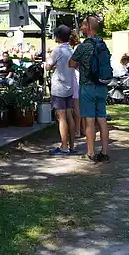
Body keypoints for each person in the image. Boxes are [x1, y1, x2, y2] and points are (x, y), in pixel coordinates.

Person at [70, 16, 110, 162]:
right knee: (102, 120)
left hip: (87, 86)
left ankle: (91, 153)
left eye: (82, 26)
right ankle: (105, 153)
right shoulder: (103, 44)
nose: (81, 28)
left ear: (88, 27)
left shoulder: (83, 46)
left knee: (89, 121)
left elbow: (71, 63)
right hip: (102, 86)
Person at [47, 25, 77, 155]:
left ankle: (64, 146)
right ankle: (72, 145)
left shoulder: (57, 50)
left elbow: (48, 66)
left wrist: (50, 65)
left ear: (57, 37)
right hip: (70, 87)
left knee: (61, 117)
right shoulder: (71, 50)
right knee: (70, 115)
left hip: (59, 88)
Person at [70, 31, 83, 138]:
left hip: (77, 78)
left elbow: (74, 64)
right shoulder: (82, 47)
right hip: (82, 78)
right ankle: (83, 129)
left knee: (77, 106)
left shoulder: (75, 49)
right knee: (82, 106)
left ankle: (77, 130)